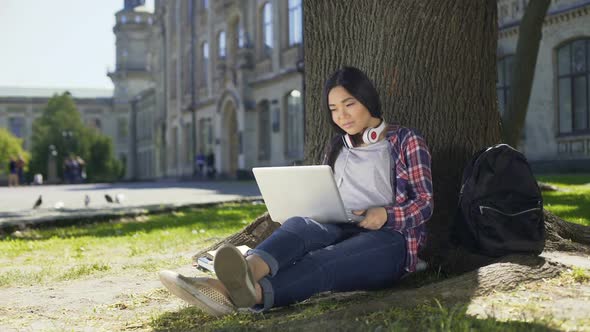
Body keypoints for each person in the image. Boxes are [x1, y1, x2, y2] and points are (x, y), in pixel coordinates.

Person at [159, 66, 434, 317]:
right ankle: (241, 277)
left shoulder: (405, 140)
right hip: (338, 227)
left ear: (368, 100)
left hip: (389, 241)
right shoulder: (337, 146)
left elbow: (424, 203)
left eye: (349, 104)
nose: (342, 116)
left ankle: (241, 293)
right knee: (300, 224)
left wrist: (386, 215)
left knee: (324, 262)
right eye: (334, 109)